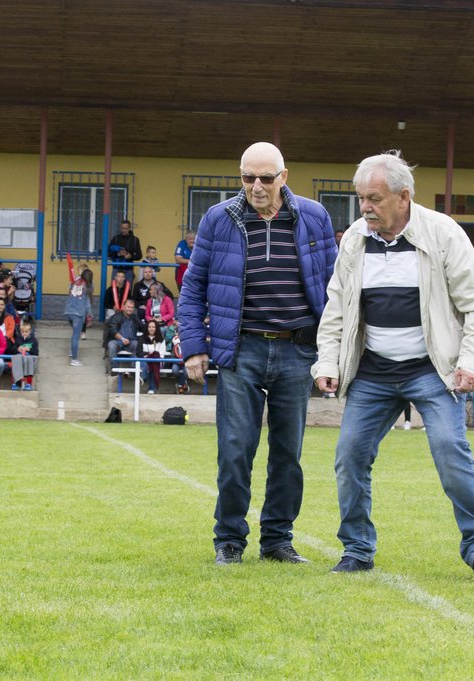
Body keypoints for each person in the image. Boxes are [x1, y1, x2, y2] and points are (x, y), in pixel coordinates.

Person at [312, 150, 474, 582]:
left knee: (449, 450)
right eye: (361, 197)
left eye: (375, 198)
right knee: (349, 456)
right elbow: (337, 309)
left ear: (404, 197)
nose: (365, 207)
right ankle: (357, 550)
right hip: (373, 371)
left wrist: (470, 362)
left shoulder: (444, 234)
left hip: (432, 370)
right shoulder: (353, 241)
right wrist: (327, 360)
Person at [179, 141, 336, 567]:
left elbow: (334, 285)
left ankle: (278, 541)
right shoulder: (219, 219)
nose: (257, 186)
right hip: (240, 348)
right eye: (249, 177)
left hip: (297, 350)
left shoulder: (314, 217)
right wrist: (194, 347)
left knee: (289, 453)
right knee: (235, 449)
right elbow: (193, 287)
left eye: (267, 177)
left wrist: (333, 350)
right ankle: (229, 540)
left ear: (284, 177)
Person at [105, 298, 143, 372]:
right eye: (128, 307)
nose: (130, 309)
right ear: (124, 307)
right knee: (111, 345)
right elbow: (113, 330)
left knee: (137, 344)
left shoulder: (135, 317)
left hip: (131, 341)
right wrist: (122, 339)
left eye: (132, 307)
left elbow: (142, 327)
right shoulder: (116, 317)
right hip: (117, 341)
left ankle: (133, 370)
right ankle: (114, 370)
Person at [64, 269, 92, 366]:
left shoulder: (74, 283)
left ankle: (72, 351)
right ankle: (74, 359)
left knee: (74, 334)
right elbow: (87, 303)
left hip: (68, 312)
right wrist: (90, 315)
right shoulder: (89, 287)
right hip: (78, 314)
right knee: (76, 336)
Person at [138, 318, 166, 394]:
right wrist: (149, 354)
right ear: (147, 328)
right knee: (147, 362)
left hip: (158, 360)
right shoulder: (141, 338)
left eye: (153, 327)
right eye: (149, 327)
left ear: (156, 328)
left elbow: (162, 353)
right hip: (145, 360)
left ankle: (148, 383)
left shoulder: (161, 339)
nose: (151, 329)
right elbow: (139, 352)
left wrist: (151, 354)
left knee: (153, 363)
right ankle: (146, 380)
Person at [11, 319, 39, 390]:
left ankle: (28, 384)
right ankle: (15, 382)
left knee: (29, 362)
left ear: (30, 332)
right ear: (20, 332)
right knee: (15, 362)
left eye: (26, 332)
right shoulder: (18, 339)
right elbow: (13, 349)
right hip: (19, 357)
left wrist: (29, 349)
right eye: (23, 332)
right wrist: (18, 349)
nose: (25, 333)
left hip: (29, 357)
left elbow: (36, 352)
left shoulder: (33, 340)